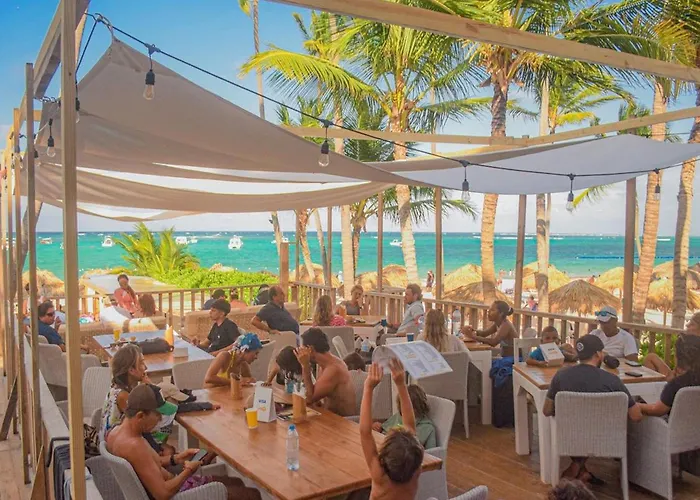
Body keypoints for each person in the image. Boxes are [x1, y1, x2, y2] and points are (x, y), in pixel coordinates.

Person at [105, 384, 261, 500]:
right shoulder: (135, 445)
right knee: (251, 494)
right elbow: (163, 494)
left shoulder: (115, 433)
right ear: (140, 416)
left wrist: (177, 458)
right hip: (178, 494)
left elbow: (151, 462)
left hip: (173, 485)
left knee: (236, 481)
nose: (160, 419)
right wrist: (188, 471)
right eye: (158, 416)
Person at [543, 335, 642, 484]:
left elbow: (547, 410)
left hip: (569, 436)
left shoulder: (561, 376)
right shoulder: (612, 380)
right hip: (605, 439)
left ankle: (578, 466)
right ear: (598, 354)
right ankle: (580, 469)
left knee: (581, 425)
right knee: (592, 426)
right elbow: (636, 416)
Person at [361, 360, 424, 500]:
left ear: (383, 458)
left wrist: (368, 387)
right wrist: (401, 384)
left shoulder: (379, 474)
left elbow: (365, 432)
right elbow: (410, 426)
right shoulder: (416, 470)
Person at [294, 328, 356, 416]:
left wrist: (305, 366)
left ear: (310, 349)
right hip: (329, 415)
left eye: (302, 348)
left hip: (341, 420)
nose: (301, 352)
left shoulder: (333, 369)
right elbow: (315, 396)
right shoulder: (324, 364)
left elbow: (309, 399)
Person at [640, 335, 700, 417]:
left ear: (677, 357)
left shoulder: (676, 384)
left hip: (674, 422)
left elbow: (657, 410)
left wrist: (635, 405)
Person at [372, 384, 437, 449]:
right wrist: (378, 427)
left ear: (419, 406)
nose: (407, 410)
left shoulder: (428, 428)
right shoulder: (398, 416)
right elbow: (384, 429)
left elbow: (433, 452)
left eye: (412, 407)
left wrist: (418, 448)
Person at [645, 313, 700, 377]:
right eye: (689, 322)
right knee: (651, 357)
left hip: (688, 379)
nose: (687, 325)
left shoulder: (686, 343)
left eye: (692, 324)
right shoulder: (682, 341)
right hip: (678, 376)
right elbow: (677, 367)